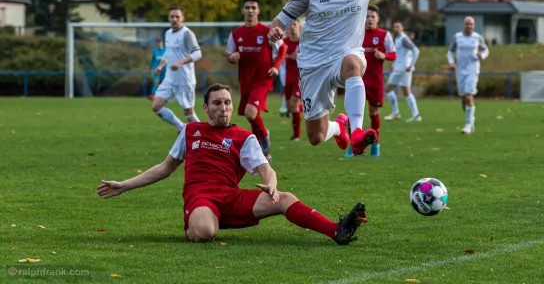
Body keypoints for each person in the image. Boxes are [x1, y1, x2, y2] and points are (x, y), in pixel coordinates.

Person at [97, 84, 368, 246]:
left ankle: (336, 230)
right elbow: (165, 167)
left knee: (284, 199)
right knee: (204, 234)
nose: (224, 108)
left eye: (227, 103)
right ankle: (199, 221)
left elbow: (267, 170)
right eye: (217, 103)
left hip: (231, 197)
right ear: (205, 107)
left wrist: (272, 186)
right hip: (200, 196)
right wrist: (124, 185)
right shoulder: (191, 131)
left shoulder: (243, 137)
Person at [267, 0, 461, 156]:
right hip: (313, 65)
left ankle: (357, 130)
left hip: (346, 55)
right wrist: (275, 30)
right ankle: (339, 127)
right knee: (316, 137)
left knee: (352, 64)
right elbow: (281, 19)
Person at [227, 0, 287, 161]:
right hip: (246, 79)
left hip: (263, 79)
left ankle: (264, 136)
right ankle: (262, 151)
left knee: (250, 112)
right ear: (243, 10)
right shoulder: (236, 34)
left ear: (258, 11)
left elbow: (282, 48)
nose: (250, 10)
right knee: (250, 116)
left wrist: (276, 66)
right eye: (247, 7)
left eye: (253, 7)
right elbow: (229, 55)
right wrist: (232, 57)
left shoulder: (266, 31)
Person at [345, 5, 395, 157]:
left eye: (373, 16)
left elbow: (393, 54)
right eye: (367, 16)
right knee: (352, 113)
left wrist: (384, 56)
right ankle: (352, 146)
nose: (370, 19)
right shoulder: (357, 34)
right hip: (357, 80)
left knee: (373, 112)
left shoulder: (384, 35)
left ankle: (375, 145)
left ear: (378, 19)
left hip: (375, 81)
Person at [152, 7, 202, 132]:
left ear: (182, 19)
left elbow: (198, 53)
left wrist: (181, 62)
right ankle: (181, 127)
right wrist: (160, 66)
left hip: (185, 79)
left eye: (177, 17)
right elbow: (168, 53)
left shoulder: (187, 33)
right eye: (172, 16)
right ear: (168, 18)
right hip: (170, 79)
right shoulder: (168, 33)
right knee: (156, 106)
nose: (174, 19)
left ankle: (206, 135)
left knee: (189, 114)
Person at [447, 16, 489, 134]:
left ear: (474, 26)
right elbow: (450, 51)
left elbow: (486, 50)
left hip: (473, 69)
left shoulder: (477, 37)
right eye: (467, 24)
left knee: (468, 95)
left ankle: (467, 125)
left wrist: (482, 55)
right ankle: (471, 119)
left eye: (471, 24)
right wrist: (451, 62)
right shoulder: (457, 37)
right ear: (463, 25)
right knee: (463, 99)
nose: (469, 26)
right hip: (460, 70)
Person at [384, 21, 422, 122]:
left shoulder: (404, 38)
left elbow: (416, 50)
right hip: (401, 68)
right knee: (406, 91)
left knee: (387, 89)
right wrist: (394, 65)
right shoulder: (398, 39)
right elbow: (400, 55)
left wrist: (411, 65)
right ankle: (416, 114)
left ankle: (395, 112)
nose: (396, 28)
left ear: (402, 28)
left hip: (402, 69)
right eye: (394, 27)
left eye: (398, 27)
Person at [283, 20, 303, 141]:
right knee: (291, 107)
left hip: (300, 78)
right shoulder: (284, 43)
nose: (291, 27)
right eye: (289, 24)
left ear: (299, 26)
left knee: (293, 104)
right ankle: (305, 108)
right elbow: (277, 55)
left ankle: (297, 136)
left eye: (294, 24)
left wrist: (300, 57)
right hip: (288, 78)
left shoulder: (304, 42)